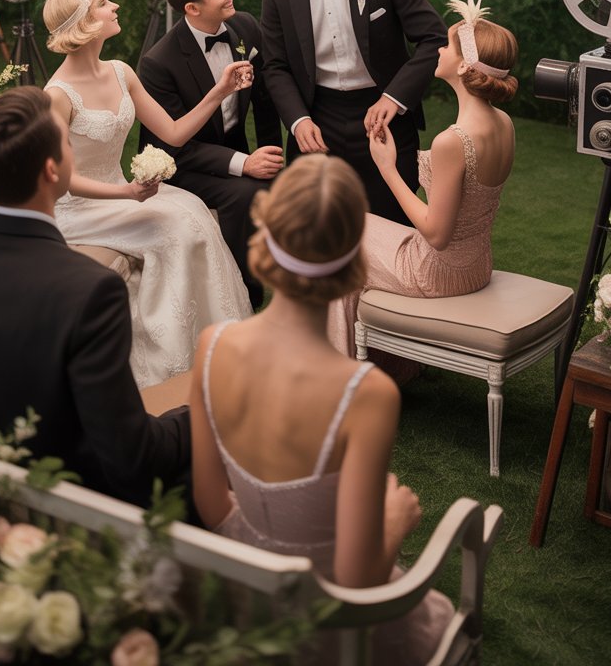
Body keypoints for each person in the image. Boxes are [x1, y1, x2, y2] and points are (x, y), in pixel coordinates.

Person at [190, 154, 453, 662]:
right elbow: (354, 585)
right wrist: (395, 523)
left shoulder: (211, 346)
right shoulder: (366, 395)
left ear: (267, 237)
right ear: (355, 258)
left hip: (248, 597)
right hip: (330, 627)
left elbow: (212, 504)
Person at [0, 87, 190, 509]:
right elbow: (132, 458)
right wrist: (195, 418)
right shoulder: (90, 290)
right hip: (67, 505)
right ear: (52, 170)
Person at [42, 0, 253, 388]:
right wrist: (126, 192)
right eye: (103, 3)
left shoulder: (121, 71)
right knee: (174, 226)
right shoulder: (58, 95)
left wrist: (219, 91)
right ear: (84, 23)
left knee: (193, 213)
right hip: (80, 209)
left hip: (123, 195)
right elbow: (60, 180)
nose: (115, 6)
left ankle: (218, 348)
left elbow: (172, 133)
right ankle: (168, 358)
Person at [328, 0, 518, 359]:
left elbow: (436, 234)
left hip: (438, 274)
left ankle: (336, 369)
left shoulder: (454, 141)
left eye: (448, 47)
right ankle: (380, 358)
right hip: (478, 265)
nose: (439, 51)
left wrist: (387, 169)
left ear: (464, 67)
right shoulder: (504, 123)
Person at [261, 0, 447, 224]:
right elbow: (275, 66)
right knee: (316, 230)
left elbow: (434, 39)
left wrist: (394, 98)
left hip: (383, 117)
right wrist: (298, 121)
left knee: (393, 226)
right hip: (318, 118)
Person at [139, 0, 283, 308]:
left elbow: (265, 102)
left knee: (273, 185)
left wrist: (273, 157)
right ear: (192, 7)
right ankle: (241, 295)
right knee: (243, 194)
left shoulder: (246, 29)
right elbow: (174, 147)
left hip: (231, 146)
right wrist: (243, 164)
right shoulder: (159, 64)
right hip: (180, 163)